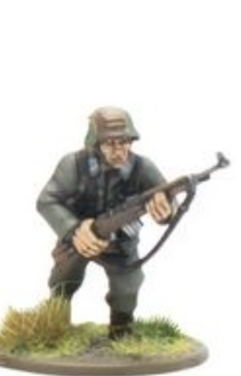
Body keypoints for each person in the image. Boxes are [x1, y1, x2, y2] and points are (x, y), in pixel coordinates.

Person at [37, 107, 175, 337]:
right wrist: (73, 228)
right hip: (79, 240)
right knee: (63, 281)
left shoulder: (143, 168)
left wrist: (165, 208)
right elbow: (47, 201)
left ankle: (121, 331)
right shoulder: (73, 164)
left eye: (124, 142)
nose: (119, 150)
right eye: (110, 143)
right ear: (95, 143)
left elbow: (169, 198)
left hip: (121, 244)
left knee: (127, 288)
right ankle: (54, 328)